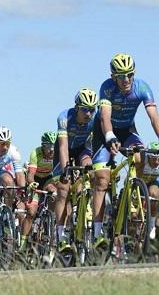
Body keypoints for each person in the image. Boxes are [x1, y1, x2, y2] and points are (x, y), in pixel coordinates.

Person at [91, 53, 159, 248]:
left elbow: (153, 116)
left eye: (129, 75)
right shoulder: (107, 88)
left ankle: (131, 195)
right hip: (104, 131)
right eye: (121, 76)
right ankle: (97, 232)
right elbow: (105, 117)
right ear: (113, 77)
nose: (126, 80)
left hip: (127, 130)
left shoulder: (142, 87)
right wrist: (109, 136)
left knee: (140, 158)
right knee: (102, 179)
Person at [51, 88, 97, 253]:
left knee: (91, 171)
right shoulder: (64, 117)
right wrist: (66, 171)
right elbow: (63, 147)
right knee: (63, 189)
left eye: (92, 109)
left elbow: (96, 146)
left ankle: (86, 209)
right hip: (64, 152)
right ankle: (61, 236)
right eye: (85, 109)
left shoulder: (94, 119)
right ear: (77, 107)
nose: (89, 113)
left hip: (82, 150)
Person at [19, 131, 57, 251]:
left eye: (54, 146)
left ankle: (49, 224)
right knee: (31, 212)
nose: (51, 150)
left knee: (53, 192)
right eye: (48, 146)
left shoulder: (58, 154)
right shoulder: (36, 153)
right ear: (43, 146)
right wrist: (31, 183)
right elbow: (30, 175)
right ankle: (23, 244)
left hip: (48, 179)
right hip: (35, 179)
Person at [139, 142, 159, 240]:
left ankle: (152, 223)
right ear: (148, 157)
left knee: (154, 193)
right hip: (139, 183)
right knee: (135, 214)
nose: (157, 162)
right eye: (154, 159)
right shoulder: (142, 161)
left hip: (152, 182)